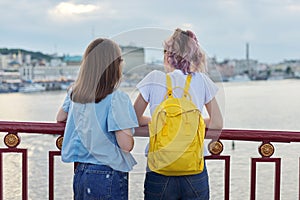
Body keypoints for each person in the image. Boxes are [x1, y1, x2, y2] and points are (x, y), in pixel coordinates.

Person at [134, 28, 223, 200]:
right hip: (193, 168)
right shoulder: (202, 80)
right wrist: (190, 124)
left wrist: (162, 123)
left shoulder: (154, 78)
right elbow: (217, 124)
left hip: (159, 169)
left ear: (168, 55)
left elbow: (133, 119)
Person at [56, 38, 139, 200]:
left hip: (81, 172)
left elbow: (60, 117)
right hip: (107, 173)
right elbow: (126, 145)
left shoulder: (75, 93)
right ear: (115, 66)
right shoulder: (117, 98)